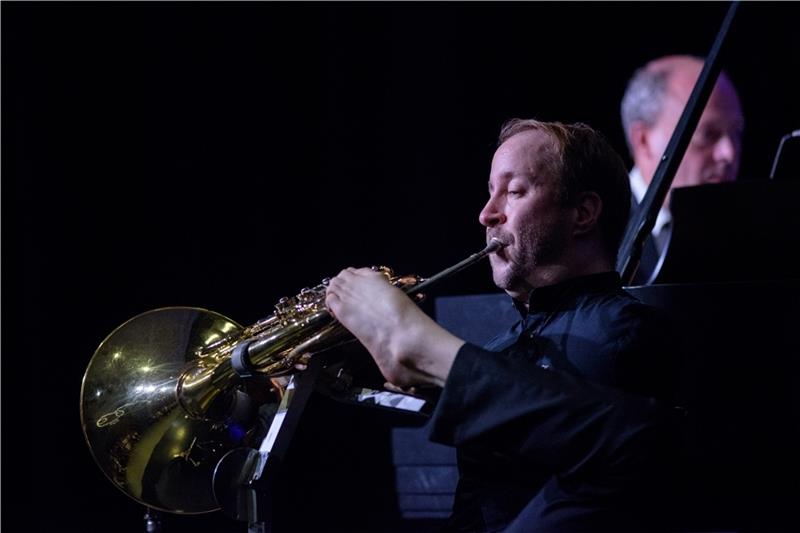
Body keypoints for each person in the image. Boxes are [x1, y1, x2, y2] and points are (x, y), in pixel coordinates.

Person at [325, 119, 682, 532]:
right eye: (490, 192)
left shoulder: (628, 333)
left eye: (513, 192)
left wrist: (413, 341)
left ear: (582, 213)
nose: (486, 214)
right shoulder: (502, 346)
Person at [620, 55, 745, 284]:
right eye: (708, 134)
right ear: (644, 141)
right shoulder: (604, 233)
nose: (729, 153)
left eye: (736, 133)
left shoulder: (744, 232)